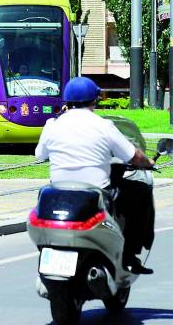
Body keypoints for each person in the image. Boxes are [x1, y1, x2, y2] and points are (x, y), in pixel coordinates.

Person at [35, 77, 155, 275]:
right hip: (97, 193)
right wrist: (148, 163)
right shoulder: (103, 125)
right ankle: (130, 254)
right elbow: (133, 155)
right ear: (94, 101)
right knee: (140, 190)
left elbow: (40, 154)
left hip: (58, 194)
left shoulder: (52, 125)